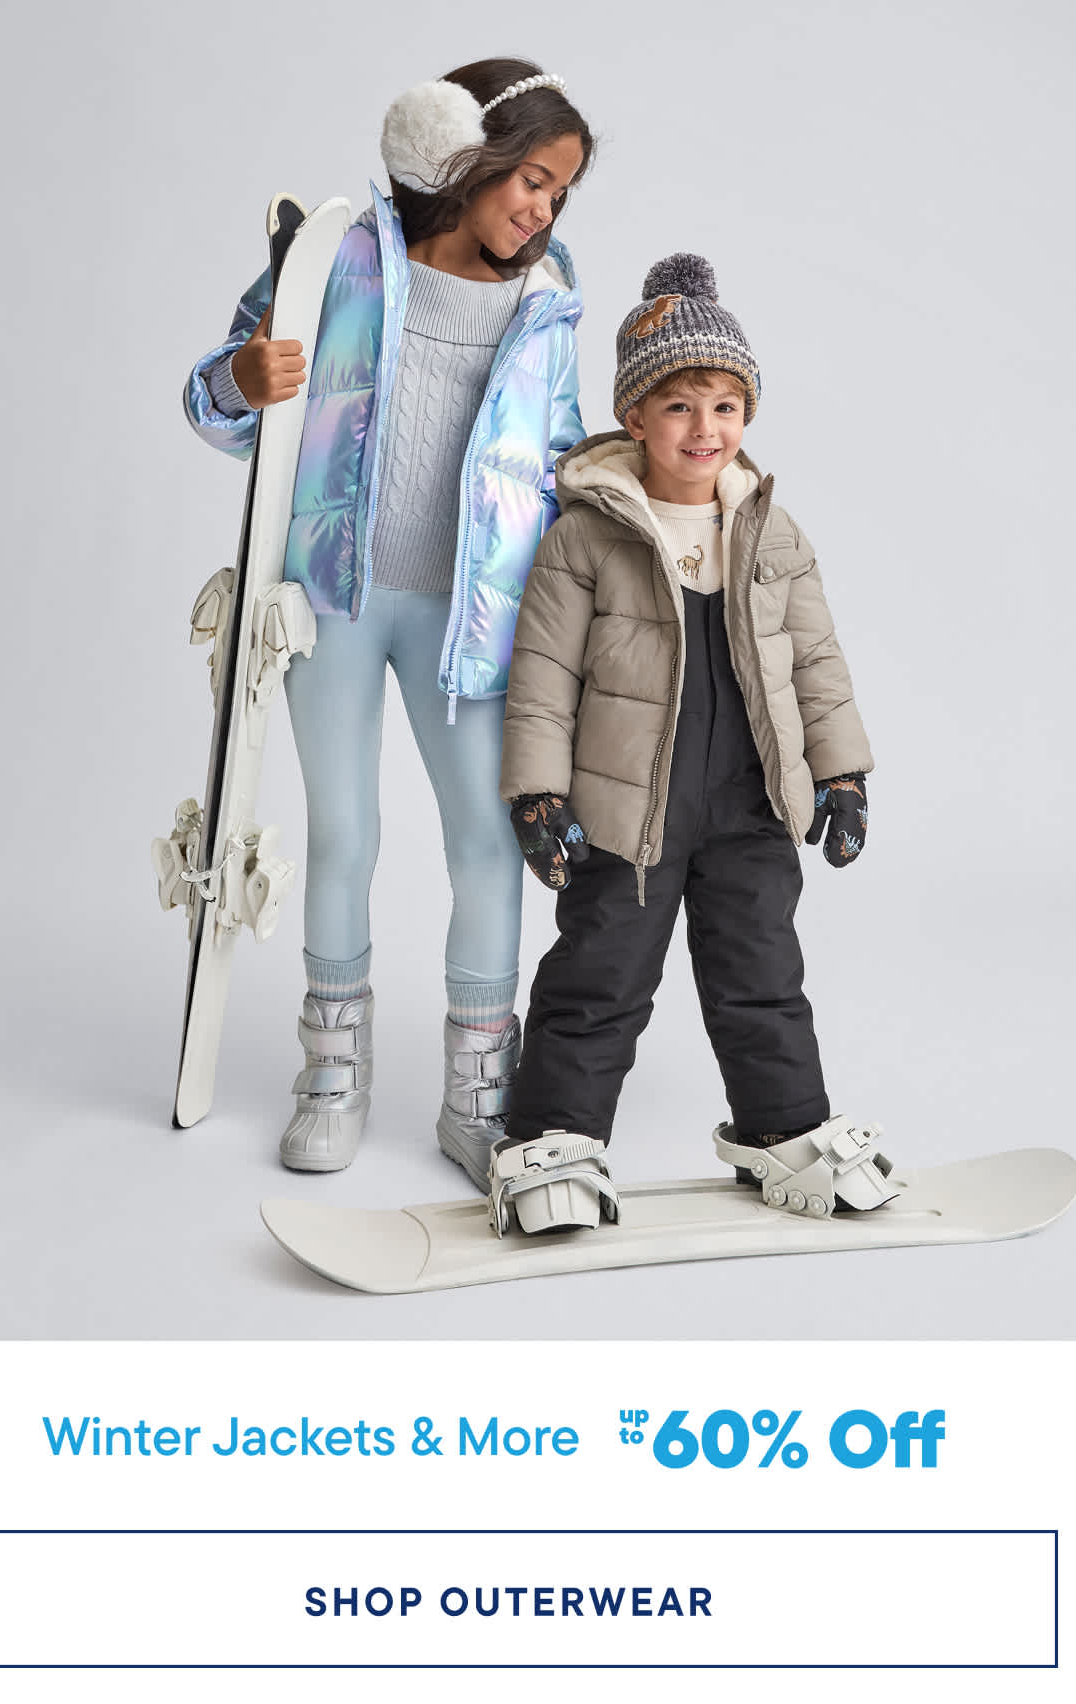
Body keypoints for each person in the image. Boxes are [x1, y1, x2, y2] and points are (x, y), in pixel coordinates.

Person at [183, 61, 594, 1177]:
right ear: (459, 153)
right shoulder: (338, 256)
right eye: (529, 180)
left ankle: (479, 1093)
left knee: (488, 842)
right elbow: (216, 410)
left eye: (559, 194)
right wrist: (239, 380)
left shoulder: (548, 297)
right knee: (346, 833)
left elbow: (558, 461)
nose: (541, 209)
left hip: (473, 622)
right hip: (334, 598)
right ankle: (331, 1071)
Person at [492, 252, 895, 1237]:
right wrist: (537, 796)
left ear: (746, 416)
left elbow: (817, 662)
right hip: (630, 809)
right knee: (601, 977)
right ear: (634, 417)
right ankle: (553, 1139)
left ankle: (784, 1131)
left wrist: (840, 773)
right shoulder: (586, 537)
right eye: (678, 407)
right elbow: (542, 679)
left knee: (763, 972)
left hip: (753, 802)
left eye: (725, 406)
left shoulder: (772, 530)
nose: (704, 429)